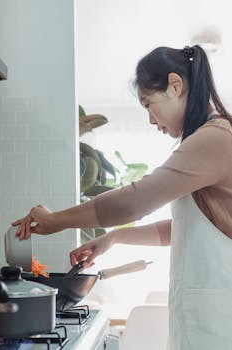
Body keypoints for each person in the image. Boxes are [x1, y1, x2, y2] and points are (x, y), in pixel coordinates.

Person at [13, 45, 232, 349]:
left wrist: (56, 221)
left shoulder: (215, 138)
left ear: (176, 86)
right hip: (206, 318)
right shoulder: (208, 138)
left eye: (147, 104)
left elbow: (133, 202)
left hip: (220, 321)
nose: (152, 120)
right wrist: (113, 238)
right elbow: (183, 228)